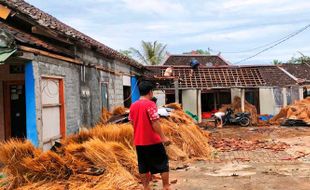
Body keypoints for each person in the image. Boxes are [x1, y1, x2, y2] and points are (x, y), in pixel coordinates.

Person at [129, 81, 170, 190]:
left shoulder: (133, 105)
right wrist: (163, 137)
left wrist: (139, 131)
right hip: (153, 141)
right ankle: (166, 186)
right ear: (150, 92)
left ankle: (146, 187)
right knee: (163, 164)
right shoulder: (150, 104)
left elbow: (131, 122)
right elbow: (155, 122)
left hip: (139, 142)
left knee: (143, 166)